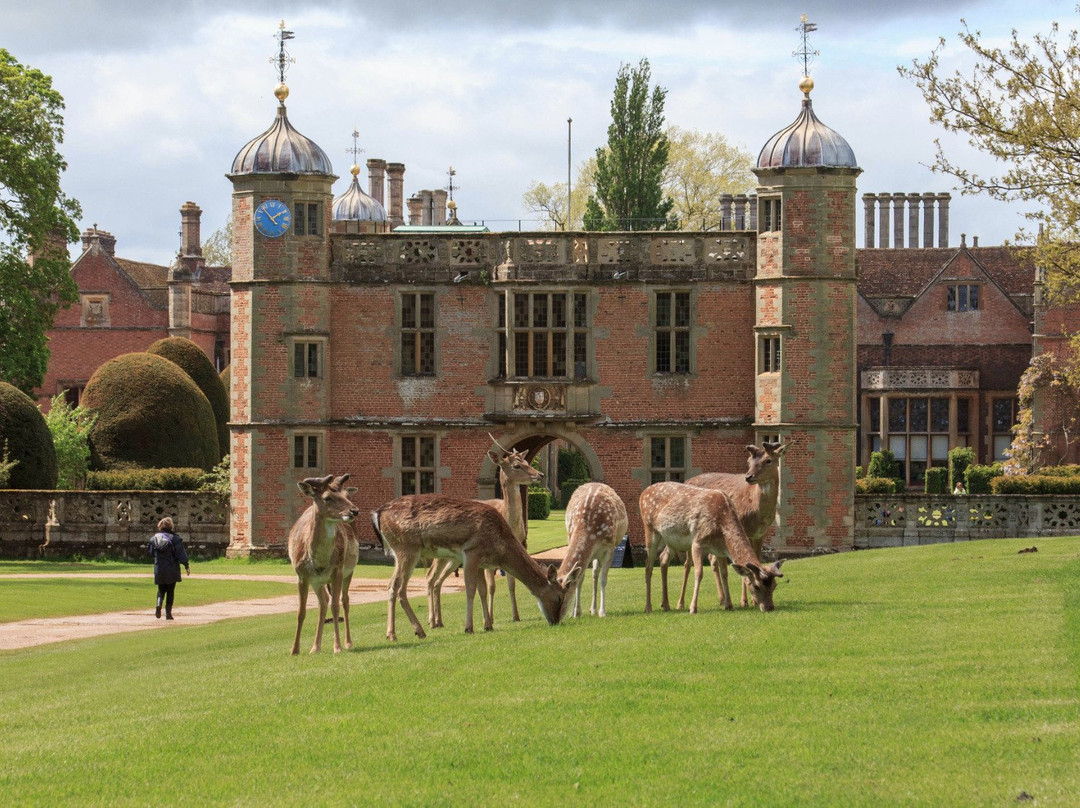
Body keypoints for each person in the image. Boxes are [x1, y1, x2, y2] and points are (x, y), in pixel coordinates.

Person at [147, 517, 190, 620]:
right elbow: (181, 553)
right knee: (170, 591)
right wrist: (186, 565)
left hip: (159, 568)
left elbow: (150, 553)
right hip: (172, 567)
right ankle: (168, 614)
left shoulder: (154, 538)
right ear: (171, 526)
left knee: (161, 589)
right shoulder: (175, 538)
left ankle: (158, 604)